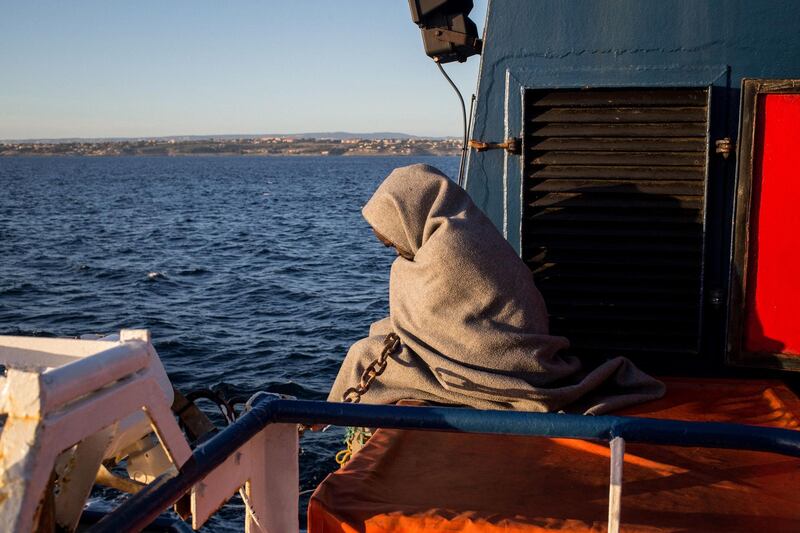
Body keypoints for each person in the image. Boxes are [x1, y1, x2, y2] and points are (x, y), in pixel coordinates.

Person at [328, 164, 664, 414]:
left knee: (366, 355)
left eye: (390, 235)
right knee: (377, 342)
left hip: (498, 365)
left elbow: (439, 332)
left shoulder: (448, 252)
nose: (389, 243)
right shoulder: (465, 228)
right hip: (493, 347)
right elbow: (436, 324)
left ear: (407, 214)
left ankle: (321, 419)